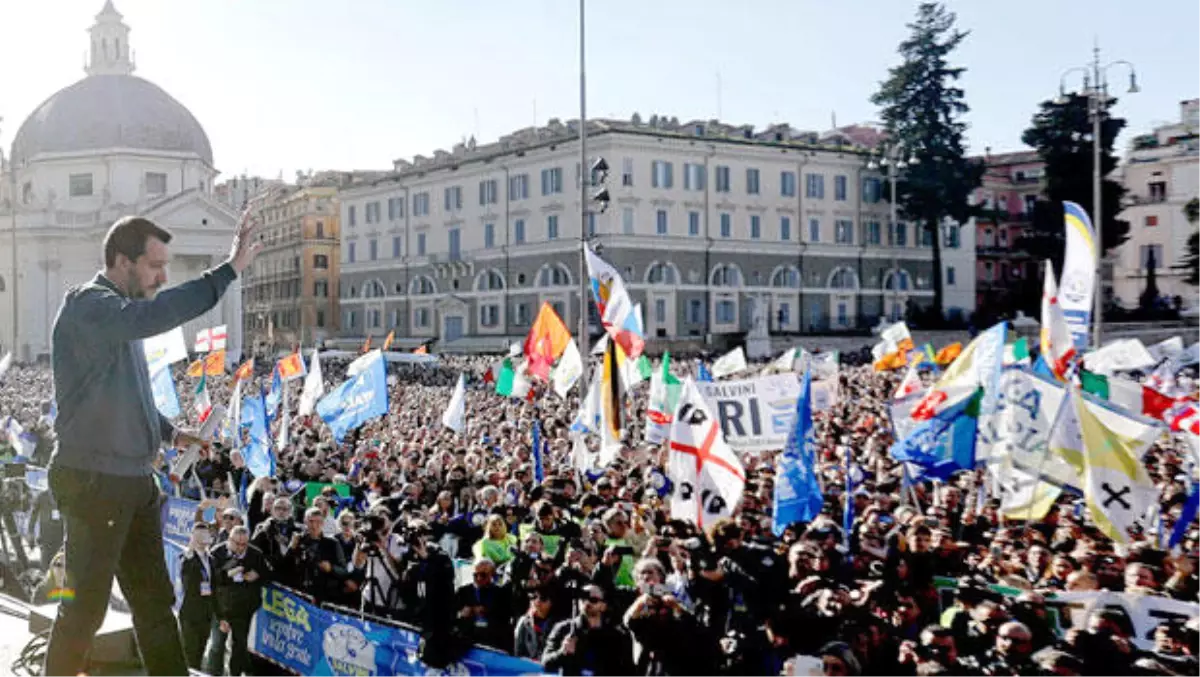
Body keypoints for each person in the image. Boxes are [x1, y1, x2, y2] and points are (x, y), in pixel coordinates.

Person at [42, 211, 260, 677]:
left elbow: (120, 393)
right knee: (84, 611)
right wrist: (228, 270)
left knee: (156, 607)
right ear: (122, 260)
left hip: (134, 483)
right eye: (155, 265)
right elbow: (158, 314)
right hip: (96, 481)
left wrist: (169, 433)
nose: (163, 277)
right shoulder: (91, 305)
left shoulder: (118, 316)